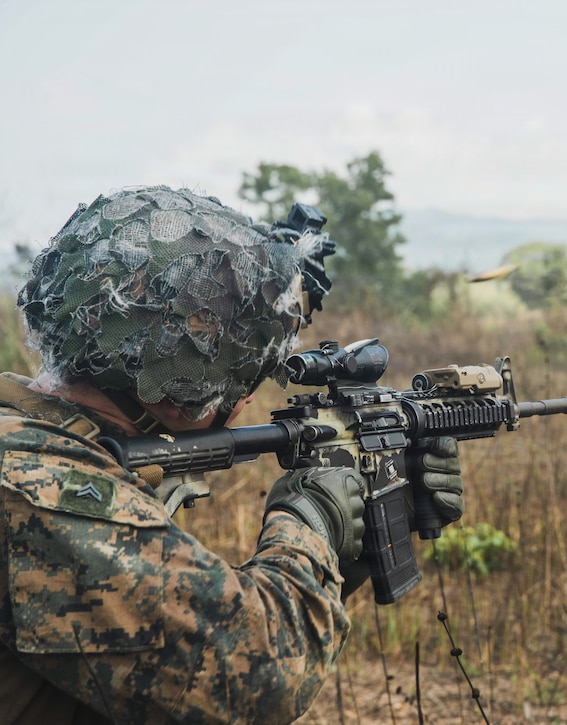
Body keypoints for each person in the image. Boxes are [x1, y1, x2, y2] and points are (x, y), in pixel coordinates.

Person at [0, 186, 465, 723]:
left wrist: (361, 534)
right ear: (179, 386)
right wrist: (309, 520)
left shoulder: (40, 439)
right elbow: (259, 675)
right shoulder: (38, 486)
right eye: (241, 377)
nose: (244, 400)